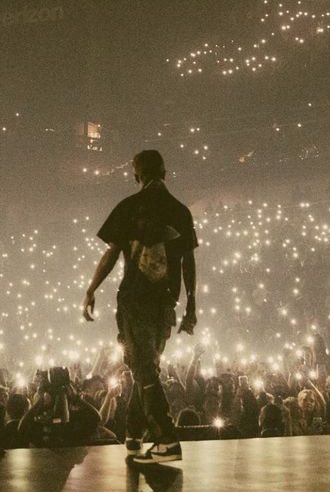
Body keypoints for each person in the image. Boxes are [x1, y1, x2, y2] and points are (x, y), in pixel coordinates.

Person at [82, 150, 197, 464]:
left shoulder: (129, 207)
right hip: (165, 303)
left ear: (136, 175)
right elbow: (188, 261)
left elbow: (112, 254)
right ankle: (134, 434)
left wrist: (92, 288)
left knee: (143, 367)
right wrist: (191, 307)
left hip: (135, 299)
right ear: (165, 171)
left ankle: (166, 439)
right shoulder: (180, 211)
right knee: (143, 365)